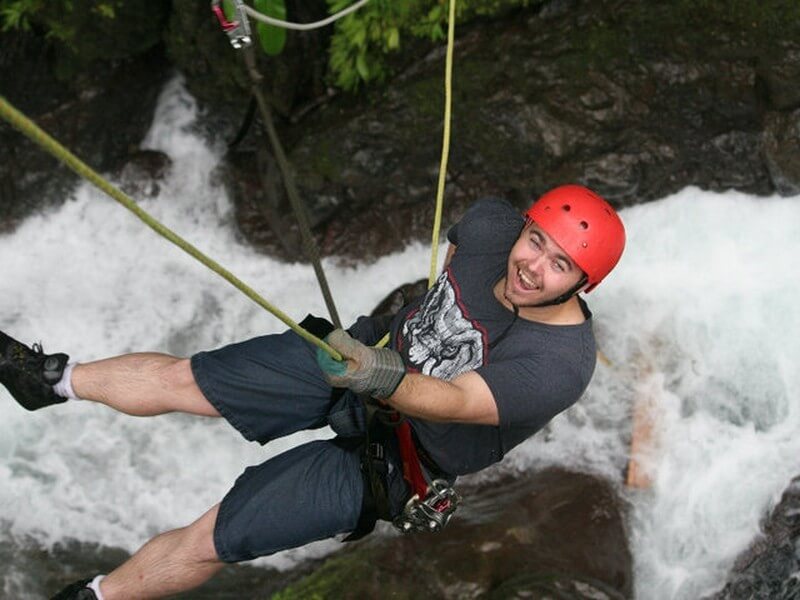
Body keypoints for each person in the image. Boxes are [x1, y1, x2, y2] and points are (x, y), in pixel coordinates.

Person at [0, 184, 625, 600]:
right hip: (365, 353)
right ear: (523, 225)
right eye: (536, 241)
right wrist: (383, 346)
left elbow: (459, 401)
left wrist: (383, 377)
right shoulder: (491, 225)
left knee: (217, 535)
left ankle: (95, 597)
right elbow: (452, 258)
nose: (532, 265)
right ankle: (52, 381)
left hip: (396, 456)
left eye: (559, 265)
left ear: (583, 283)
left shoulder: (560, 363)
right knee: (189, 378)